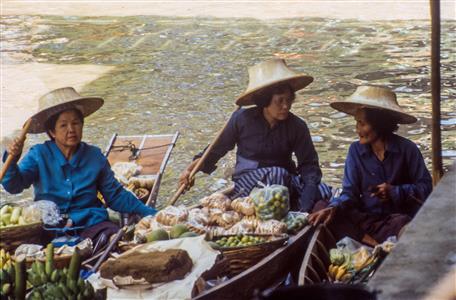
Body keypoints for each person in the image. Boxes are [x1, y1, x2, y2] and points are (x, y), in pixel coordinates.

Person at [2, 87, 157, 246]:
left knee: (113, 239)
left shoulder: (94, 157)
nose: (71, 130)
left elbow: (116, 196)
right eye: (63, 125)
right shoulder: (39, 155)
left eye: (75, 123)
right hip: (50, 229)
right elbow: (13, 186)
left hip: (91, 225)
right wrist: (12, 160)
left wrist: (150, 213)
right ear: (52, 132)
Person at [179, 59, 330, 211]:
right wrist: (190, 171)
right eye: (280, 101)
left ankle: (295, 206)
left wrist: (307, 200)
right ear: (265, 100)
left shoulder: (297, 126)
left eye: (289, 100)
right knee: (277, 174)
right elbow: (215, 150)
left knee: (323, 190)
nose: (286, 106)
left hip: (284, 180)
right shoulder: (242, 119)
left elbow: (309, 166)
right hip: (248, 180)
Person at [308, 86, 432, 243]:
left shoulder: (407, 149)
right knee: (322, 206)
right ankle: (371, 243)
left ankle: (374, 244)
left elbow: (426, 189)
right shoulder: (355, 151)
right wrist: (334, 207)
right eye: (357, 123)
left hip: (394, 221)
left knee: (405, 225)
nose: (357, 129)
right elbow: (349, 193)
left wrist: (395, 191)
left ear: (379, 124)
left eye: (362, 123)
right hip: (365, 220)